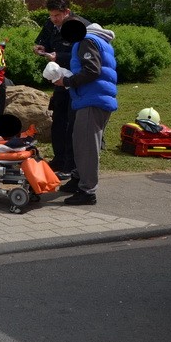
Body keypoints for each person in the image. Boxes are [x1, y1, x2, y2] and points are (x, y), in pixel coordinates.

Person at [54, 19, 118, 205]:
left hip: (91, 99)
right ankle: (77, 179)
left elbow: (92, 70)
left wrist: (66, 81)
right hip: (97, 98)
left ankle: (87, 191)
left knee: (87, 147)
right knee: (80, 142)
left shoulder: (86, 41)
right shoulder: (101, 41)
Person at [33, 0, 89, 174]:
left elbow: (85, 58)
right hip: (59, 81)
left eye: (57, 16)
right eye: (51, 15)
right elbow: (43, 41)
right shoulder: (51, 24)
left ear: (67, 12)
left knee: (72, 124)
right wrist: (41, 48)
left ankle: (71, 165)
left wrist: (60, 56)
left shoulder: (81, 27)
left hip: (76, 82)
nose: (53, 20)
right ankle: (59, 160)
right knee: (58, 120)